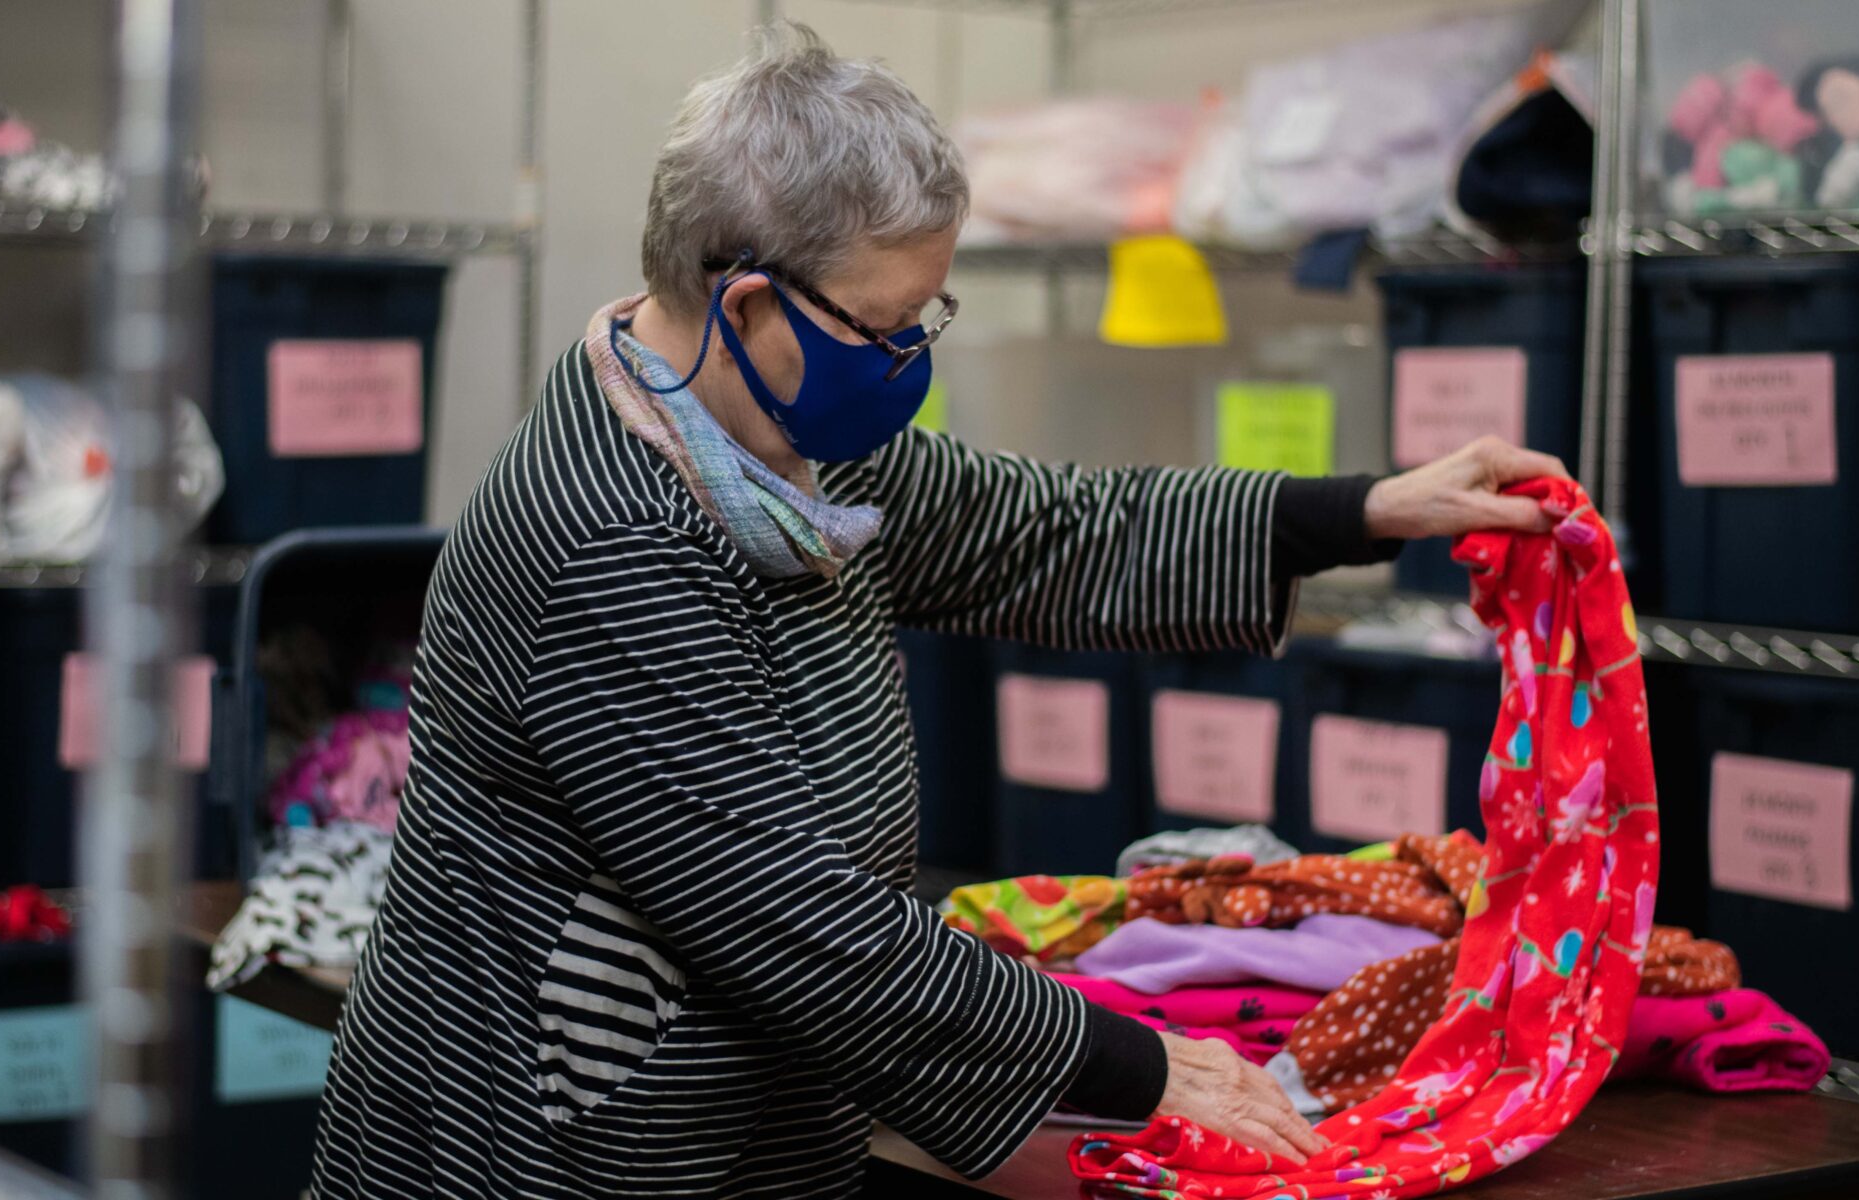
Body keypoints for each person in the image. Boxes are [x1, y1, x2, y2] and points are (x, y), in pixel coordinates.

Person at [307, 23, 1569, 1199]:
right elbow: (796, 919)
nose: (913, 359)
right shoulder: (605, 537)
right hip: (550, 1141)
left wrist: (1362, 511)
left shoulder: (783, 441)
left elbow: (1049, 533)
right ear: (749, 305)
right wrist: (1136, 1064)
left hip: (736, 1107)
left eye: (928, 317)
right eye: (892, 324)